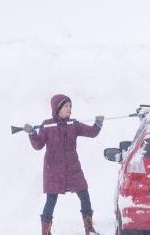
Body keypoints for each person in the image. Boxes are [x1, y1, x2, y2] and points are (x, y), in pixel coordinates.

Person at [24, 94, 104, 235]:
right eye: (66, 106)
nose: (69, 108)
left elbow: (91, 132)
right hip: (53, 169)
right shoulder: (48, 125)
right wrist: (32, 133)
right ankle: (46, 232)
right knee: (51, 200)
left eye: (70, 105)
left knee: (84, 195)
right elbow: (38, 145)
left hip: (73, 168)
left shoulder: (74, 124)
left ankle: (89, 229)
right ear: (57, 108)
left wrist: (97, 125)